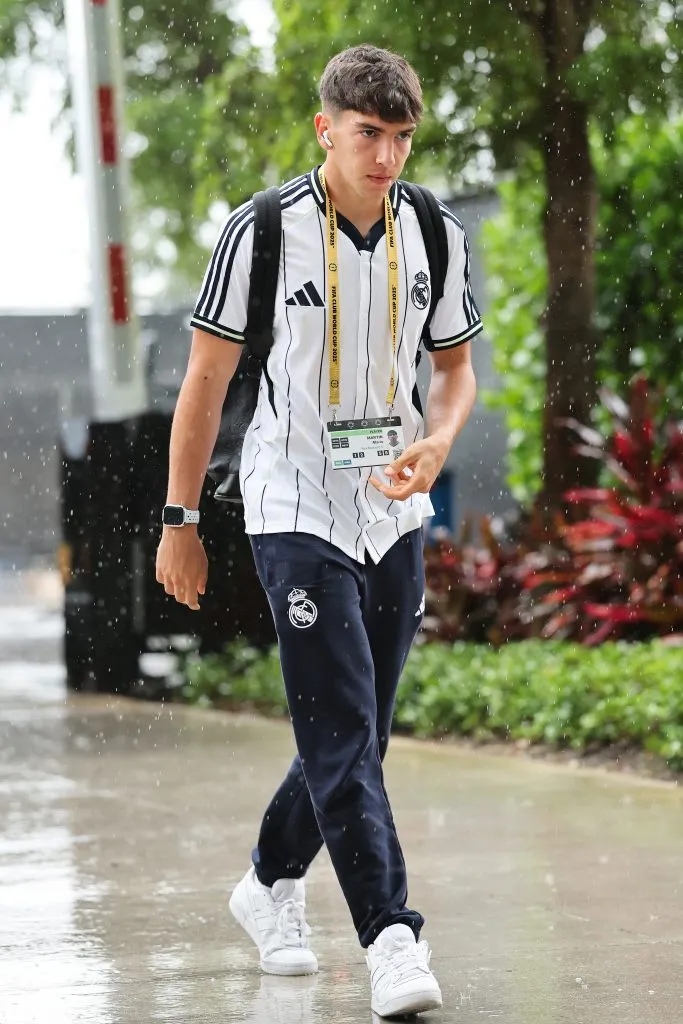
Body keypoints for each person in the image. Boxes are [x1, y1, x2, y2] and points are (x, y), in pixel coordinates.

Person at [156, 44, 482, 1019]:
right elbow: (205, 381)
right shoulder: (260, 231)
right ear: (325, 128)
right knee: (341, 728)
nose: (385, 156)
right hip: (292, 501)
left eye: (400, 137)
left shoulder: (434, 232)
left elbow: (454, 370)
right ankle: (390, 936)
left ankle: (267, 880)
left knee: (359, 730)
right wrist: (178, 519)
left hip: (392, 507)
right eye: (366, 133)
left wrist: (439, 440)